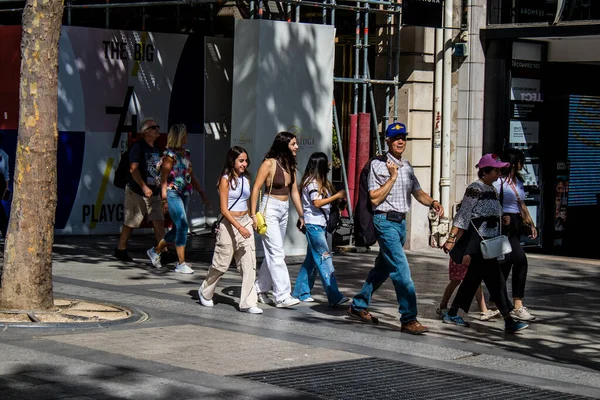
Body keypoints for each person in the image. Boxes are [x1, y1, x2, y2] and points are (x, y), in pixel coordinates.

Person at [347, 122, 444, 335]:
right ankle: (408, 318)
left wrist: (433, 202)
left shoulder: (407, 166)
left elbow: (417, 192)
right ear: (387, 141)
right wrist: (392, 177)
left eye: (403, 137)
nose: (401, 141)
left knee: (383, 268)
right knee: (402, 271)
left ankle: (359, 304)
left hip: (401, 223)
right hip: (385, 222)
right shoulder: (378, 165)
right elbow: (374, 198)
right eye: (396, 137)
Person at [442, 153, 528, 333]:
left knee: (473, 280)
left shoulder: (493, 190)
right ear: (485, 171)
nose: (499, 173)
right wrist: (451, 239)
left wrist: (502, 218)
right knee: (496, 281)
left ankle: (453, 312)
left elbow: (492, 211)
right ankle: (508, 319)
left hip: (490, 242)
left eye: (499, 169)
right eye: (495, 170)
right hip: (479, 243)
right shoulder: (475, 188)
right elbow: (464, 214)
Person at [198, 146, 262, 314]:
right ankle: (205, 290)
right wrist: (239, 227)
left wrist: (251, 218)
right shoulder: (225, 180)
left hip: (245, 220)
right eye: (241, 161)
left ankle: (248, 302)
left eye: (246, 160)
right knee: (221, 263)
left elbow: (247, 203)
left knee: (249, 263)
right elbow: (224, 209)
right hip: (229, 222)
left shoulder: (246, 179)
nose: (244, 164)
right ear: (232, 161)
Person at [250, 131, 304, 308]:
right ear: (284, 146)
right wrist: (253, 215)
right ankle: (282, 296)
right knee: (277, 253)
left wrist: (301, 214)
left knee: (274, 252)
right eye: (293, 144)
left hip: (284, 209)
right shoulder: (269, 164)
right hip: (270, 208)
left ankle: (259, 288)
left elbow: (294, 191)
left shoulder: (291, 165)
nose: (297, 147)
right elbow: (256, 188)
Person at [147, 124, 209, 274]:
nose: (187, 136)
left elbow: (191, 176)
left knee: (177, 228)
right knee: (182, 225)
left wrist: (201, 192)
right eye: (185, 133)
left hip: (185, 192)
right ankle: (181, 263)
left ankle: (155, 251)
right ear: (180, 136)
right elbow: (164, 179)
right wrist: (164, 200)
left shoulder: (185, 153)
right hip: (173, 193)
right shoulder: (170, 156)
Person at [291, 152, 349, 306]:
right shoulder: (312, 182)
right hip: (314, 225)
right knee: (325, 259)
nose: (329, 164)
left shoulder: (317, 181)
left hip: (319, 224)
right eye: (326, 162)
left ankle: (300, 292)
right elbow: (317, 203)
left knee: (311, 261)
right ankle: (334, 295)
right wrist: (336, 196)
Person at [114, 118, 167, 262]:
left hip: (154, 192)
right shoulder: (138, 147)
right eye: (153, 127)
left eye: (157, 126)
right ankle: (121, 249)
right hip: (137, 191)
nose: (157, 129)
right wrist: (144, 187)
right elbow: (133, 169)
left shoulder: (156, 148)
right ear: (144, 133)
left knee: (158, 221)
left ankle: (163, 251)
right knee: (131, 222)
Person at [493, 148, 537, 322]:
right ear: (513, 163)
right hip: (504, 224)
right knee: (520, 260)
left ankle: (496, 299)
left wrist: (530, 223)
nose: (522, 165)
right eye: (520, 162)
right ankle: (517, 304)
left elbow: (522, 204)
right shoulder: (499, 182)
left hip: (516, 223)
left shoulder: (517, 182)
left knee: (505, 264)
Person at [0, 135, 10, 238]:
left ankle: (3, 226)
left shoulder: (4, 155)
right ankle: (3, 226)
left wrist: (6, 189)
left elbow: (6, 173)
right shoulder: (4, 155)